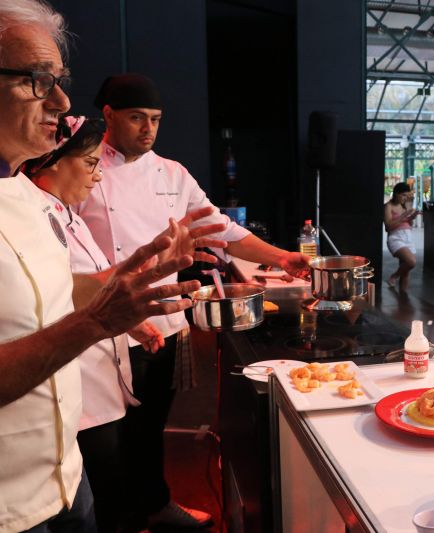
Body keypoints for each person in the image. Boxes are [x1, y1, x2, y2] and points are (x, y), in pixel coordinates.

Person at [0, 3, 225, 531]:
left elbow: (47, 290)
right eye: (38, 80)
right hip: (10, 505)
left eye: (60, 80)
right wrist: (100, 319)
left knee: (137, 445)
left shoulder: (24, 199)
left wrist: (112, 286)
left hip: (61, 475)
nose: (61, 100)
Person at [76, 73, 310, 530]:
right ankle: (120, 521)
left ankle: (155, 505)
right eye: (137, 118)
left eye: (156, 120)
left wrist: (283, 256)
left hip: (162, 321)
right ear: (108, 116)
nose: (148, 129)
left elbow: (222, 229)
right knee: (107, 438)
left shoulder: (172, 173)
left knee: (151, 427)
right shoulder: (84, 167)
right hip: (103, 324)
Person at [25, 115, 161, 532]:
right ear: (50, 160)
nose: (98, 176)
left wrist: (130, 322)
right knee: (98, 499)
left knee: (106, 489)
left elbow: (88, 289)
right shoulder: (28, 216)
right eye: (89, 164)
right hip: (73, 389)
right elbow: (55, 292)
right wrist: (138, 272)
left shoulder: (68, 214)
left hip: (99, 383)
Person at [384, 182, 417, 292]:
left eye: (407, 196)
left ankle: (403, 300)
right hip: (396, 238)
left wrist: (411, 217)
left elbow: (409, 225)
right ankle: (394, 276)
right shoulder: (388, 206)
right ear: (396, 194)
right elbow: (388, 227)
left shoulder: (404, 206)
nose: (405, 198)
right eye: (403, 195)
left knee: (405, 272)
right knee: (411, 262)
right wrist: (404, 215)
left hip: (407, 237)